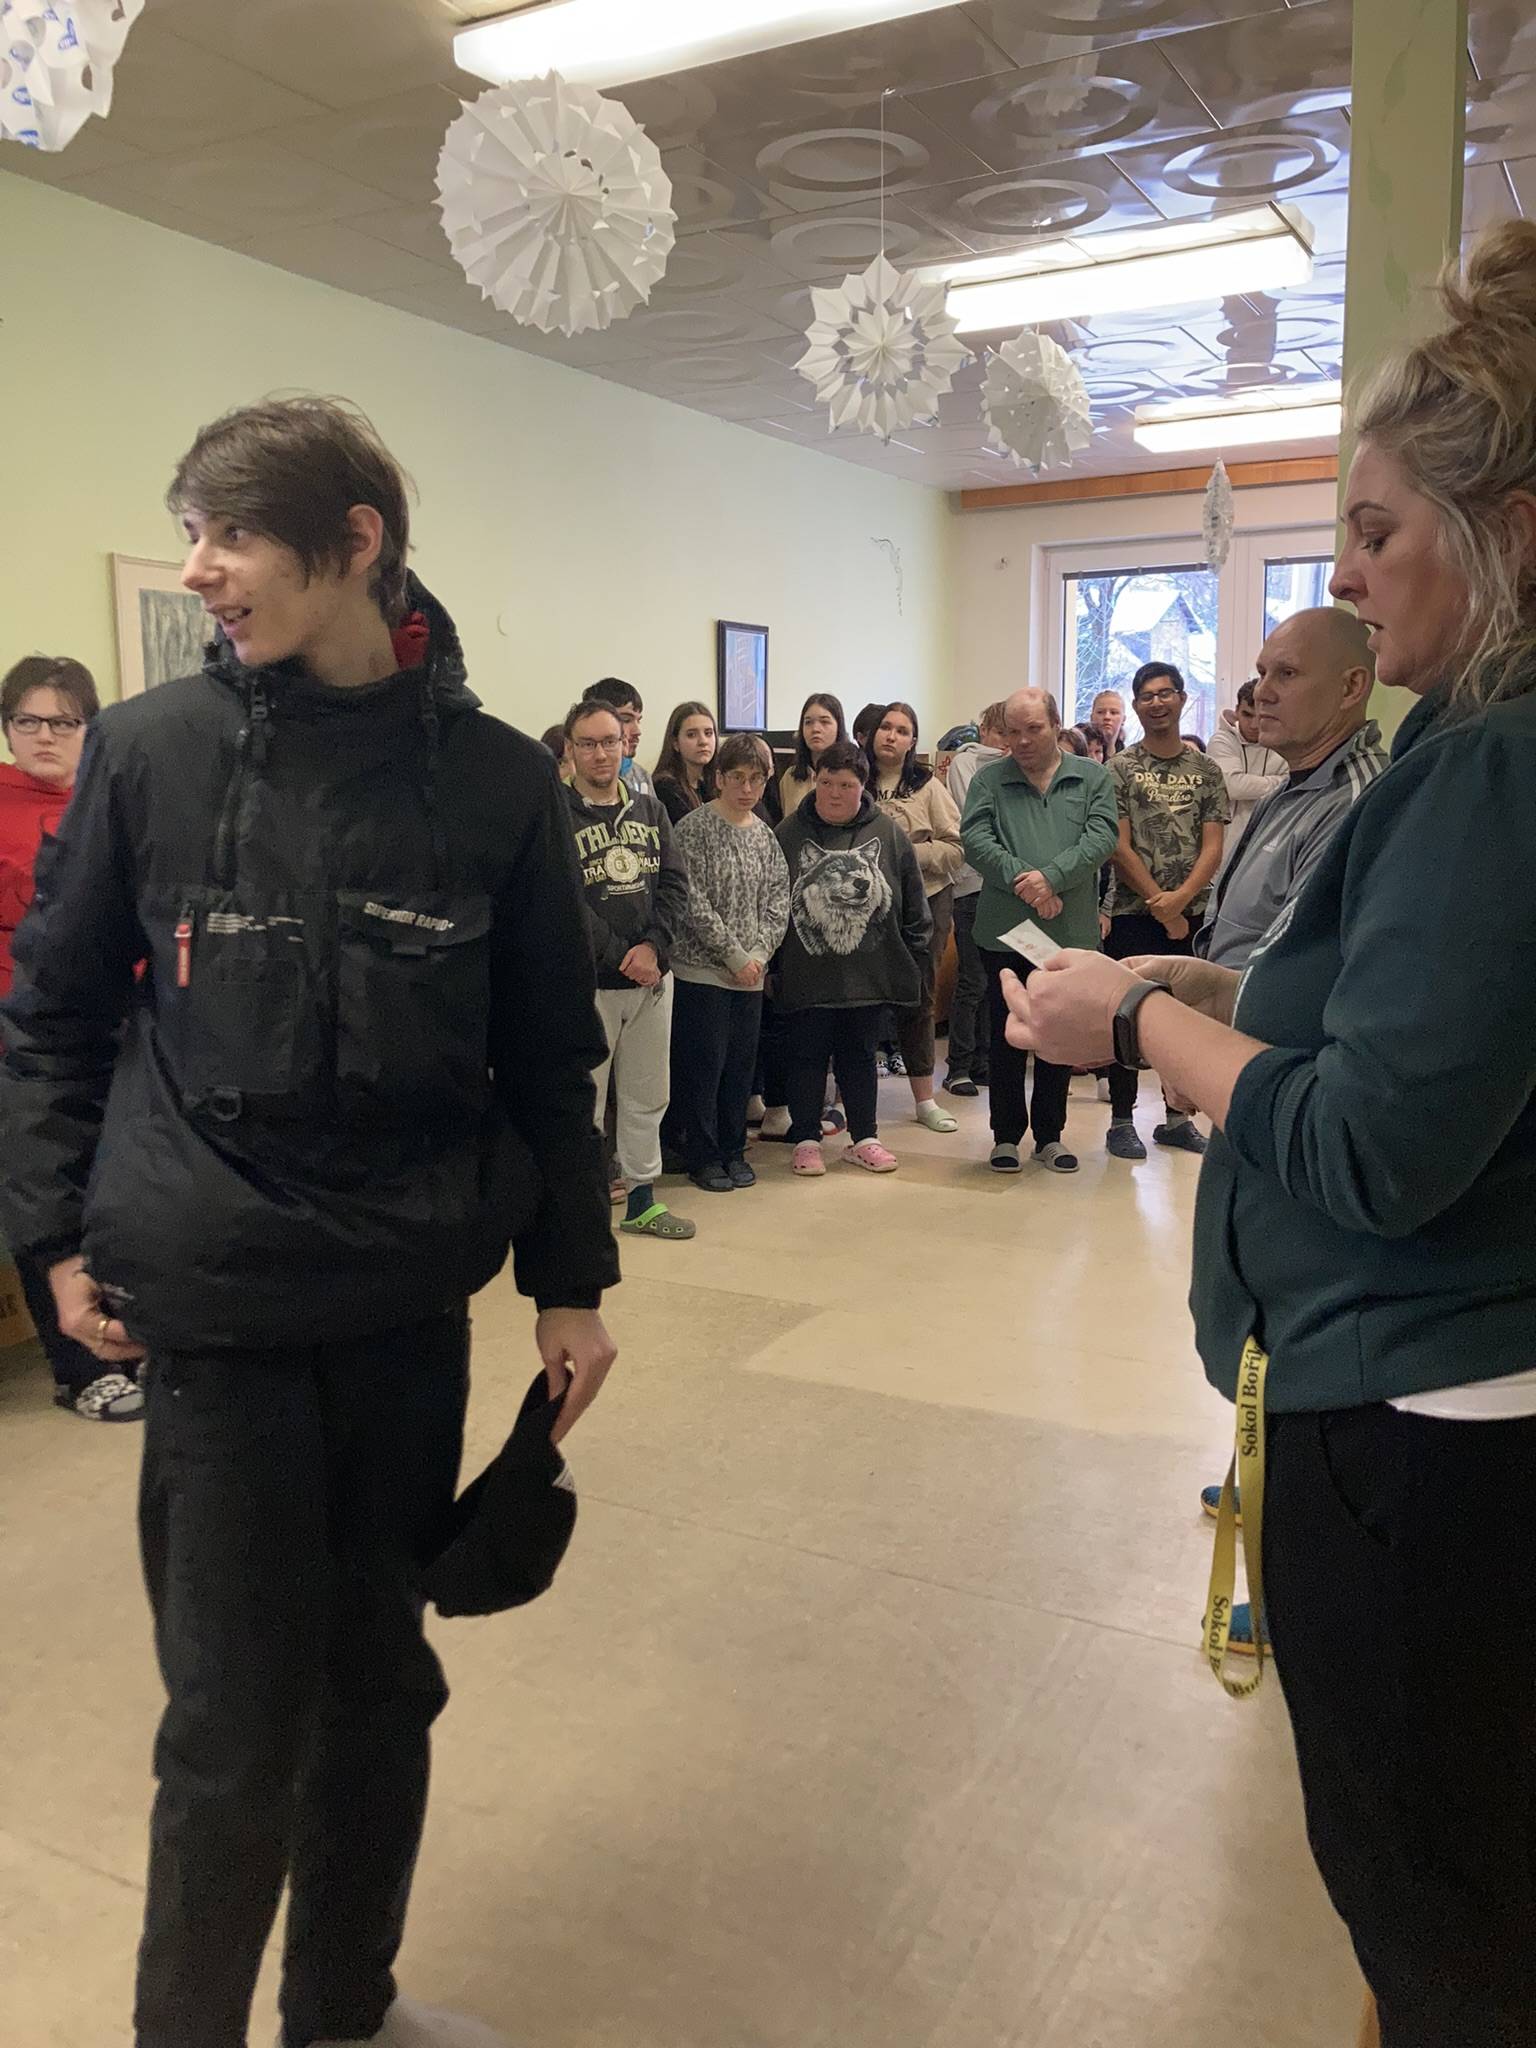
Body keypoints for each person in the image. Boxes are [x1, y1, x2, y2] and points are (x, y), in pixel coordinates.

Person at [0, 397, 620, 2048]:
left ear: (355, 542)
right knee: (230, 1720)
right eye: (188, 534)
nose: (201, 569)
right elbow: (51, 1019)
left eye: (233, 535)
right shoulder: (149, 750)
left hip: (407, 1304)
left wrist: (569, 1279)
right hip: (214, 1311)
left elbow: (548, 1052)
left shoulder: (496, 781)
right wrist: (54, 1239)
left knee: (380, 1682)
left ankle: (343, 2010)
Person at [999, 219, 1536, 2048]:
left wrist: (1141, 1022)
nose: (1348, 578)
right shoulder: (1467, 741)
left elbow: (1379, 1140)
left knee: (1434, 1900)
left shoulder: (1488, 762)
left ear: (1508, 529)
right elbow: (1400, 1018)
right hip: (1442, 1410)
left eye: (1379, 532)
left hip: (1421, 1431)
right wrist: (1190, 986)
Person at [0, 654, 135, 1423]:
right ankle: (78, 1368)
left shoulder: (111, 805)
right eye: (28, 719)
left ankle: (126, 1339)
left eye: (64, 721)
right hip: (22, 1041)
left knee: (119, 1188)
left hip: (119, 1028)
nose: (45, 735)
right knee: (49, 1194)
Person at [960, 688, 1117, 1175]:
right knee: (1006, 1034)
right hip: (1006, 931)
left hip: (1068, 931)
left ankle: (1050, 1135)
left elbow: (1102, 837)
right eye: (1014, 732)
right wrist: (1026, 882)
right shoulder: (989, 780)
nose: (1023, 741)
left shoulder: (1092, 777)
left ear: (1055, 724)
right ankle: (1005, 1135)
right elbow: (975, 840)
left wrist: (1053, 877)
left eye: (1034, 729)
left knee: (1059, 1033)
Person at [563, 698, 693, 1242]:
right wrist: (623, 954)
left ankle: (641, 1200)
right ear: (570, 750)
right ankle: (580, 1210)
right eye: (588, 744)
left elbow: (675, 885)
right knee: (584, 1100)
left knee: (648, 1093)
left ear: (625, 745)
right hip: (588, 983)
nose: (601, 754)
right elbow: (564, 901)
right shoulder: (555, 814)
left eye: (609, 742)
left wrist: (654, 950)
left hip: (652, 979)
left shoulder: (650, 809)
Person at [774, 740, 929, 1177]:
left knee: (860, 1057)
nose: (834, 793)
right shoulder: (788, 833)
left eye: (846, 785)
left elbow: (914, 902)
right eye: (826, 783)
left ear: (864, 787)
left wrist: (913, 959)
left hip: (870, 976)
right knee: (806, 1057)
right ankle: (806, 1140)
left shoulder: (889, 834)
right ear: (815, 781)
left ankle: (865, 1139)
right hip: (806, 973)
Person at [1201, 611, 1386, 972]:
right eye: (1261, 673)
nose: (1261, 692)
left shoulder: (1357, 801)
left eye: (1286, 673)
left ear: (1351, 687)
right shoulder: (1287, 788)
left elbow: (1297, 969)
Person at [1100, 661, 1229, 1162]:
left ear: (1181, 699)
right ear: (1136, 705)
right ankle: (1121, 1120)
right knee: (1127, 1014)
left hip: (1192, 914)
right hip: (1133, 912)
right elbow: (1118, 845)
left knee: (1185, 1018)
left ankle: (1177, 1119)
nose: (1157, 703)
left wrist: (1181, 902)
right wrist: (1160, 903)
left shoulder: (1206, 770)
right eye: (1147, 696)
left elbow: (1213, 846)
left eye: (1165, 693)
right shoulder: (1120, 768)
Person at [668, 734, 790, 1193]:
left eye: (756, 779)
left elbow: (778, 901)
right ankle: (702, 1155)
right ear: (718, 778)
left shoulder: (764, 835)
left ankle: (733, 1150)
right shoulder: (694, 829)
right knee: (704, 1069)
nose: (747, 788)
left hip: (750, 975)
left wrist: (757, 955)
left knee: (740, 1070)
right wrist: (734, 955)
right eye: (737, 777)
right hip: (703, 972)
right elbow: (691, 900)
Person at [867, 701, 964, 1133]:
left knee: (920, 999)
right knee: (861, 1001)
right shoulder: (857, 780)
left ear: (912, 742)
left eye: (902, 730)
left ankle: (925, 1099)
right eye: (885, 727)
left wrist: (906, 853)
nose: (891, 736)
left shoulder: (929, 787)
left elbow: (956, 848)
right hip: (867, 908)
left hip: (924, 902)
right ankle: (849, 1097)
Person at [943, 702, 1008, 1096]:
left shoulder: (1016, 766)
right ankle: (959, 1066)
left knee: (997, 979)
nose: (1004, 742)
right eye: (999, 732)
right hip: (971, 886)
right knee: (973, 980)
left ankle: (984, 1061)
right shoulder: (965, 762)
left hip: (1006, 888)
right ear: (984, 730)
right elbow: (979, 816)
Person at [778, 692, 846, 821]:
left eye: (824, 722)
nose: (815, 729)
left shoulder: (850, 776)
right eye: (808, 722)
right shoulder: (790, 777)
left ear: (838, 726)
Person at [582, 676, 653, 797]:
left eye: (638, 721)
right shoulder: (577, 776)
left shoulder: (641, 777)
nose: (637, 731)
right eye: (626, 720)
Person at [652, 699, 717, 825]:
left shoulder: (706, 786)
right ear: (675, 743)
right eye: (692, 735)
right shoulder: (665, 787)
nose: (703, 741)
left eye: (708, 733)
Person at [1089, 688, 1128, 754]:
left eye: (1113, 712)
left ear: (1123, 719)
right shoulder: (1078, 752)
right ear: (1091, 717)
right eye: (1100, 712)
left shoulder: (1130, 756)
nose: (1107, 717)